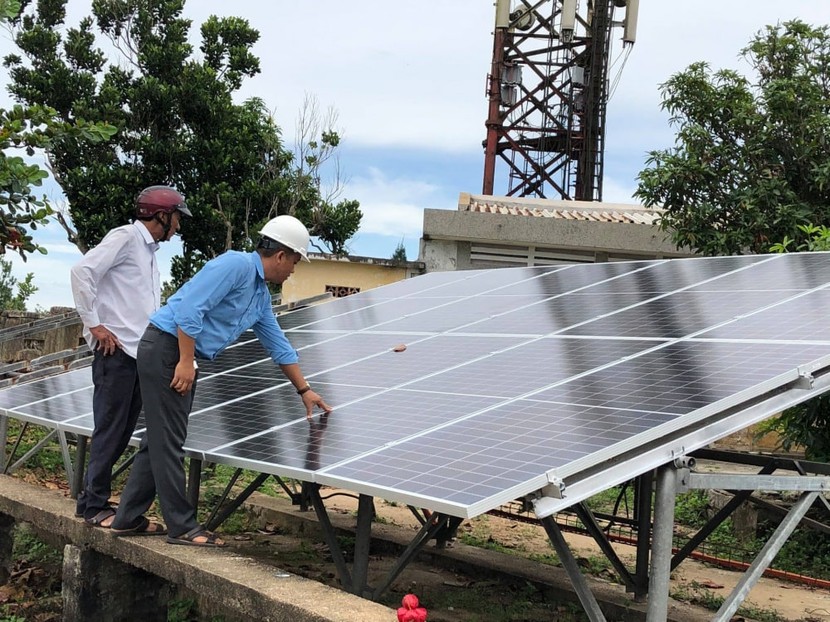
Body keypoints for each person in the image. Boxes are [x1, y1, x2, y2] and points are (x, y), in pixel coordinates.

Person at [110, 214, 332, 546]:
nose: (293, 270)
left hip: (178, 351)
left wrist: (305, 390)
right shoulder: (236, 266)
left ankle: (127, 518)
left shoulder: (259, 296)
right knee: (169, 441)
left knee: (161, 438)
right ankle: (182, 527)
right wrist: (185, 362)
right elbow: (189, 310)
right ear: (281, 255)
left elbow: (278, 345)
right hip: (168, 349)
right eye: (295, 261)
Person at [70, 185, 192, 528]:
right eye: (177, 218)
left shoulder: (148, 251)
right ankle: (94, 506)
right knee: (110, 428)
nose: (178, 227)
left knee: (122, 430)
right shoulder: (125, 238)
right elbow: (82, 272)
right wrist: (94, 326)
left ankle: (91, 502)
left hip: (139, 354)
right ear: (161, 216)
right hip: (117, 353)